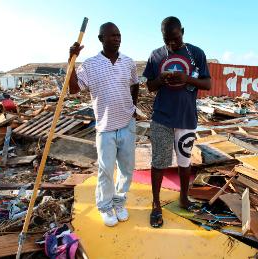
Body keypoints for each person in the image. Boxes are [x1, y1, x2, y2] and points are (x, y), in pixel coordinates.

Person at [68, 22, 139, 227]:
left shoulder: (128, 62)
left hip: (127, 124)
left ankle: (119, 202)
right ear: (101, 39)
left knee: (126, 170)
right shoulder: (90, 65)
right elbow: (74, 89)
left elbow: (135, 84)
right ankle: (105, 207)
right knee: (106, 171)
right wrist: (71, 60)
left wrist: (133, 109)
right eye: (111, 36)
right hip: (106, 127)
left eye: (118, 35)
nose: (116, 38)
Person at [143, 16, 211, 228]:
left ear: (182, 31)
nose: (171, 44)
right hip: (161, 117)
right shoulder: (156, 55)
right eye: (166, 40)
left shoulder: (196, 53)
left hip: (186, 117)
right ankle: (156, 205)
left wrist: (186, 78)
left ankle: (183, 198)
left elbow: (207, 83)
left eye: (175, 38)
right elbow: (150, 87)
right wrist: (161, 79)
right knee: (159, 162)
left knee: (184, 163)